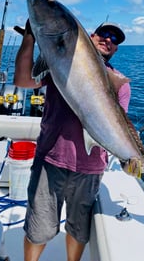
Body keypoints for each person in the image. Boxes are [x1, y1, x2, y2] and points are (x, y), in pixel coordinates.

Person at [14, 20, 131, 261]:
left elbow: (118, 128)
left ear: (116, 48)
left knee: (78, 231)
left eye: (115, 38)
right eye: (104, 33)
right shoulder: (61, 63)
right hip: (51, 160)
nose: (108, 39)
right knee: (39, 230)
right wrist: (30, 37)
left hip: (90, 169)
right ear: (90, 36)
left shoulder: (120, 83)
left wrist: (131, 157)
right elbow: (22, 81)